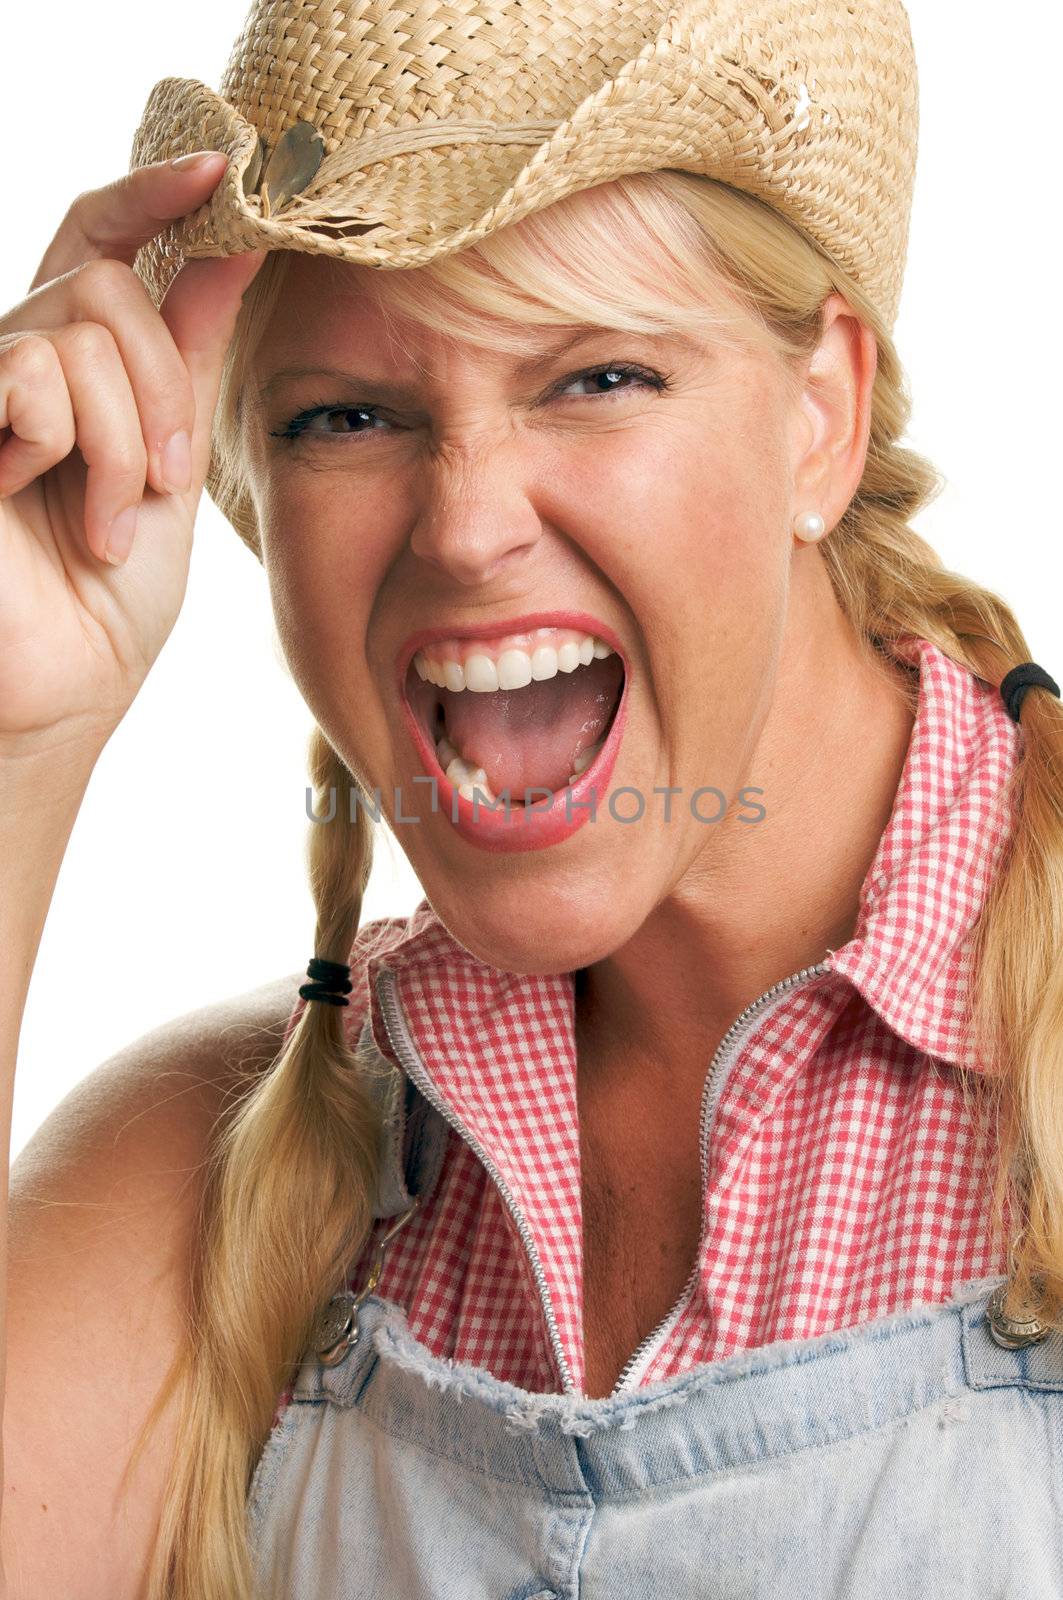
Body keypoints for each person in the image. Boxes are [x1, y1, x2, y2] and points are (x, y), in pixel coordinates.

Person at [3, 0, 1063, 1595]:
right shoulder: (207, 1191)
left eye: (597, 377)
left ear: (820, 414)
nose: (468, 525)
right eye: (343, 416)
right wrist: (20, 744)